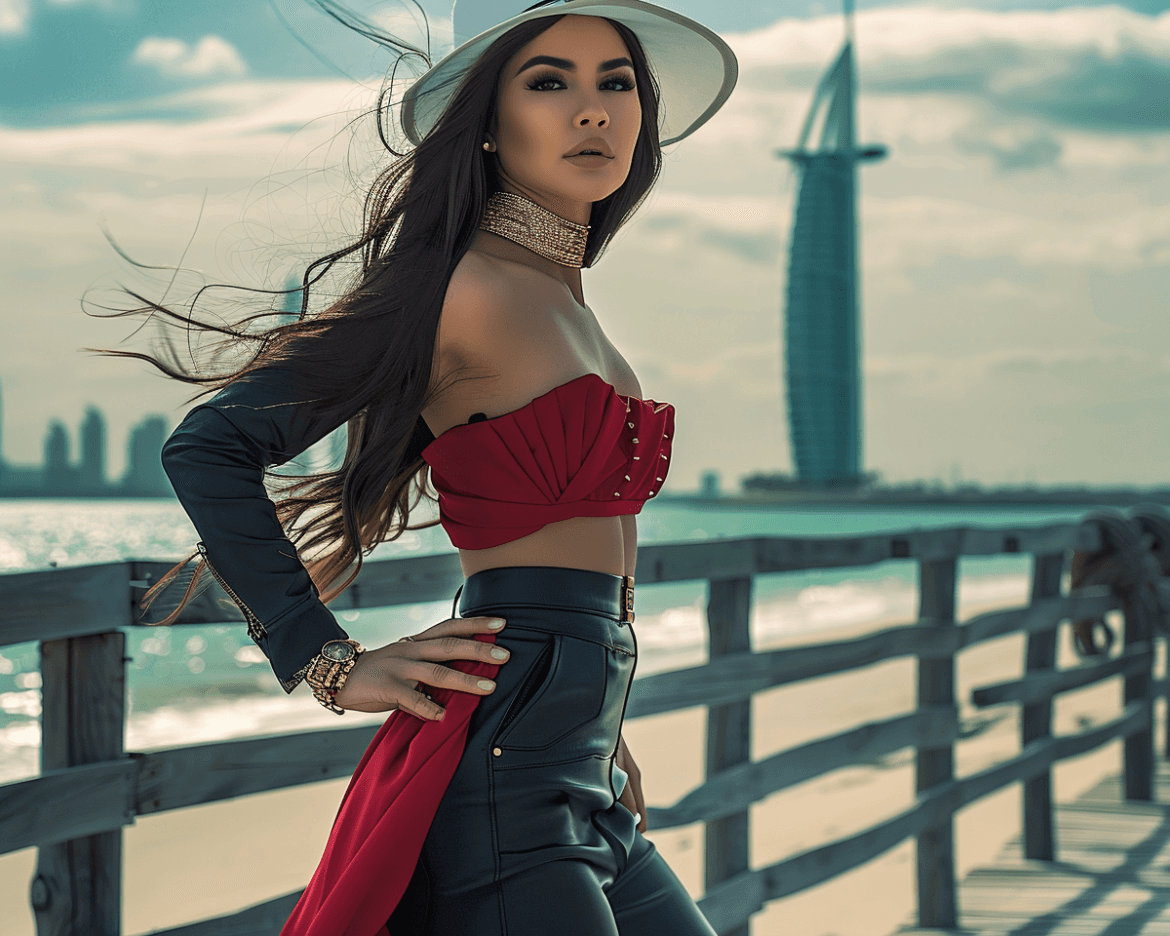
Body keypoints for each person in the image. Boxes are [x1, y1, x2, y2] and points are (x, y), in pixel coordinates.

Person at [111, 0, 737, 932]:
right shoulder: (462, 290)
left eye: (616, 83)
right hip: (504, 780)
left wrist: (606, 733)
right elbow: (208, 446)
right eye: (549, 82)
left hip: (582, 761)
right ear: (487, 125)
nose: (593, 109)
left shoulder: (565, 301)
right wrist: (325, 660)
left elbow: (593, 571)